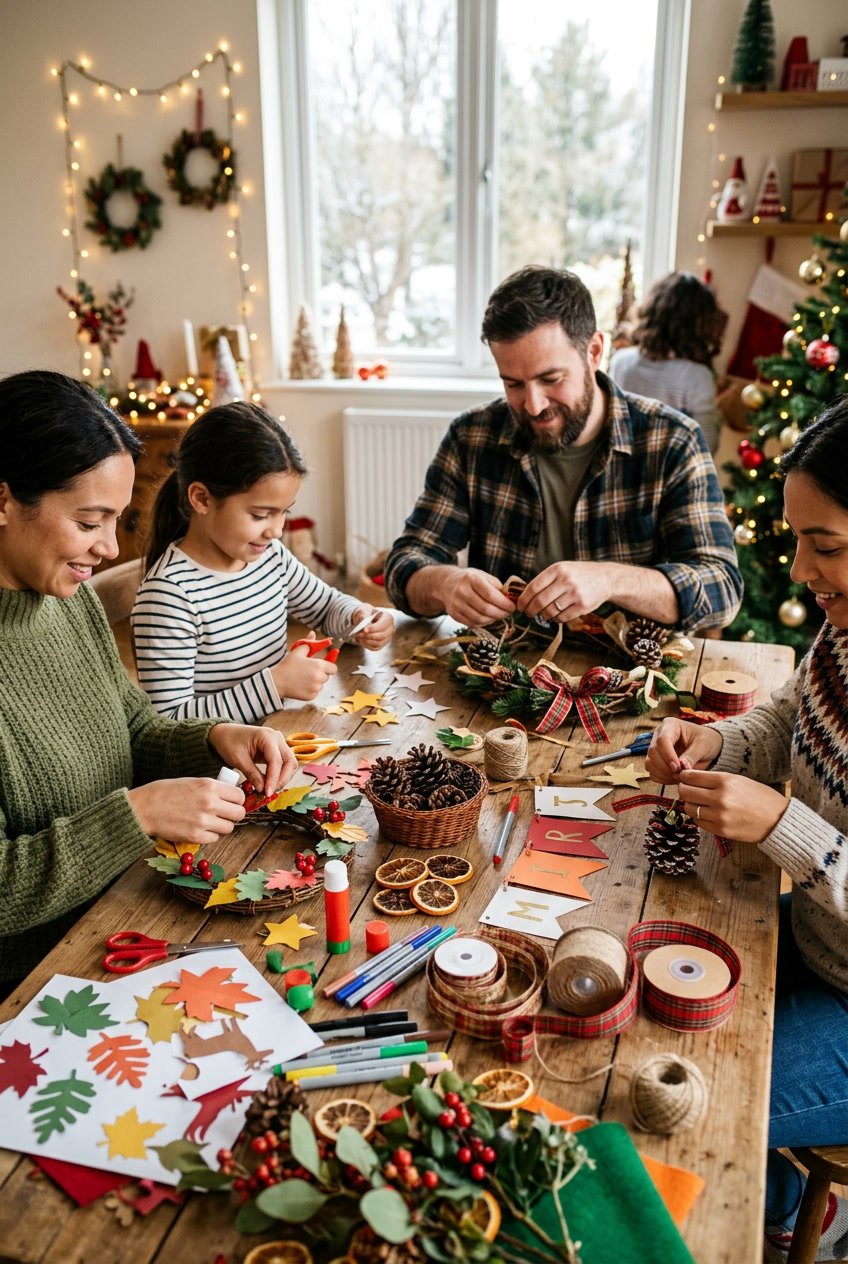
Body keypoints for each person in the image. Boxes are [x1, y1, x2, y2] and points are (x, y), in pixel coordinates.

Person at [0, 371, 299, 990]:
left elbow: (132, 727)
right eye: (89, 522)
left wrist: (215, 736)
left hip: (127, 907)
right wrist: (134, 815)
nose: (110, 548)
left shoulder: (63, 598)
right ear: (4, 501)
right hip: (42, 980)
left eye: (118, 520)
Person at [646, 395, 848, 1263]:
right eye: (798, 539)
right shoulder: (841, 638)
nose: (800, 568)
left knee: (692, 1098)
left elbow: (803, 833)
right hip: (814, 949)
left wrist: (787, 828)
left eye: (826, 545)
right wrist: (718, 738)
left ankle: (772, 1213)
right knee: (656, 1018)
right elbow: (788, 722)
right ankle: (774, 1192)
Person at [384, 265, 742, 634]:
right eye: (513, 384)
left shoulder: (673, 440)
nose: (533, 405)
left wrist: (610, 580)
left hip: (629, 677)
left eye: (550, 379)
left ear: (594, 351)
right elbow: (403, 565)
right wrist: (444, 584)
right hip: (501, 671)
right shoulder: (471, 437)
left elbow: (721, 588)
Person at [131, 401, 394, 723]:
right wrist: (277, 684)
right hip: (219, 767)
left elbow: (325, 607)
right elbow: (167, 722)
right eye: (260, 515)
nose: (276, 530)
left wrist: (359, 618)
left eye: (285, 512)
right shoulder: (168, 597)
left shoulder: (270, 558)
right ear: (201, 498)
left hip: (278, 733)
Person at [608, 271, 727, 454]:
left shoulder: (621, 362)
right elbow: (706, 447)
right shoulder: (696, 377)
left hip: (622, 472)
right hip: (674, 478)